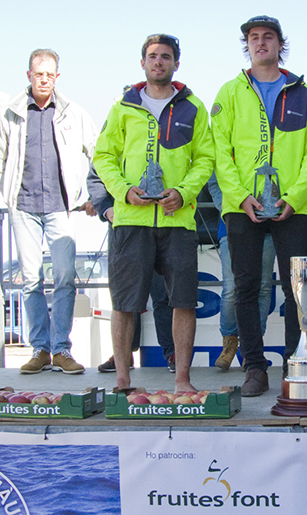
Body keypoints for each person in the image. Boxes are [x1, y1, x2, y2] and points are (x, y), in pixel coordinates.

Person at [92, 34, 214, 392]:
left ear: (176, 63)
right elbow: (103, 157)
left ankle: (182, 380)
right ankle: (123, 380)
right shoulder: (122, 107)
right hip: (132, 220)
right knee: (126, 303)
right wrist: (123, 192)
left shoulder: (194, 107)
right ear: (142, 63)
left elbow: (205, 158)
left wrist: (184, 192)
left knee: (183, 301)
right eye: (152, 56)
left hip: (177, 219)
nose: (158, 62)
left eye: (165, 57)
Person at [211, 16, 307, 397]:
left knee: (299, 289)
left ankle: (297, 364)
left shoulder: (303, 93)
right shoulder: (229, 92)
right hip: (242, 206)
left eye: (268, 37)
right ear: (248, 46)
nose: (261, 43)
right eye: (254, 38)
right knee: (245, 287)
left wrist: (293, 197)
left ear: (280, 44)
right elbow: (219, 152)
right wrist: (241, 196)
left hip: (294, 206)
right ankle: (254, 368)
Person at [0, 48, 97, 375]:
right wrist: (9, 192)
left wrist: (94, 194)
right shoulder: (10, 113)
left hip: (61, 207)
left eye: (50, 74)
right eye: (39, 73)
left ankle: (62, 349)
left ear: (57, 77)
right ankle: (40, 350)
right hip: (24, 207)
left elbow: (99, 151)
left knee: (64, 277)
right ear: (29, 76)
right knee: (31, 280)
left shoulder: (72, 113)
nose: (44, 79)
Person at [85, 165, 176, 375]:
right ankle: (123, 355)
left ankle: (172, 353)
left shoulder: (168, 132)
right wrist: (107, 209)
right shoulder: (114, 132)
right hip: (125, 227)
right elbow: (96, 175)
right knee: (127, 299)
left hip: (162, 224)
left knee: (164, 296)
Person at [205, 173, 276, 371]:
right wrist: (231, 212)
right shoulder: (228, 142)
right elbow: (215, 182)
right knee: (232, 287)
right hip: (233, 226)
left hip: (269, 225)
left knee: (262, 287)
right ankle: (229, 343)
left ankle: (251, 348)